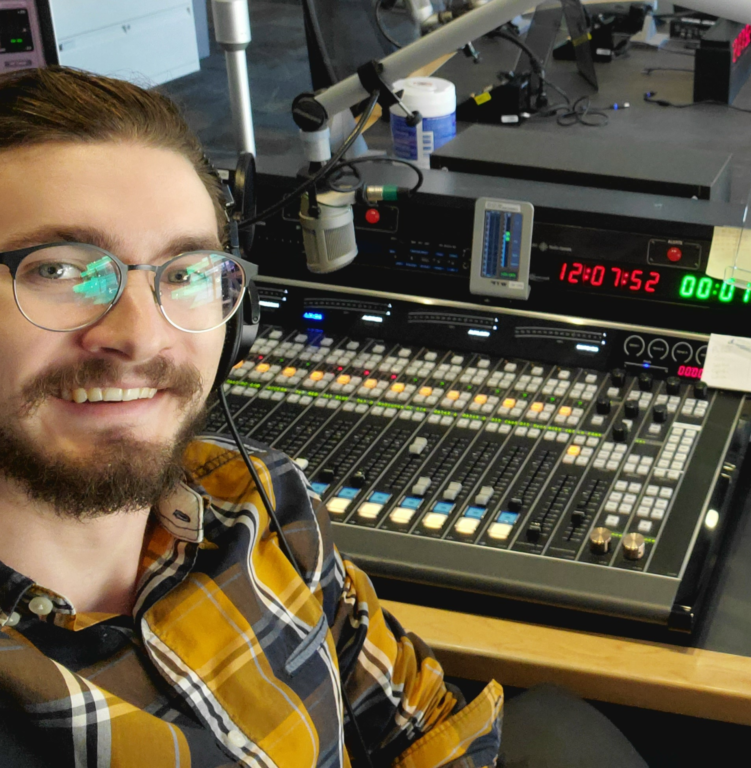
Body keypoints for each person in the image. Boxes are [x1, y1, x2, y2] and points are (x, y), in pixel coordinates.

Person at [0, 66, 649, 768]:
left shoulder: (255, 502)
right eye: (60, 270)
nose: (142, 335)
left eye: (185, 273)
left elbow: (422, 722)